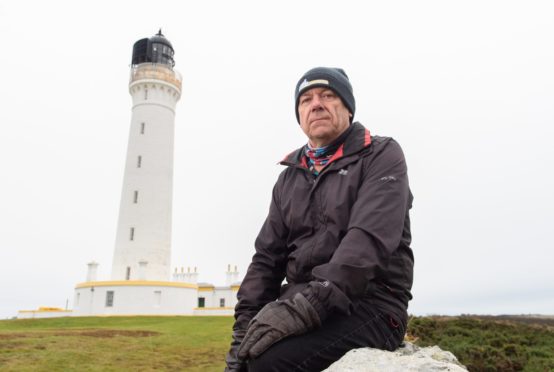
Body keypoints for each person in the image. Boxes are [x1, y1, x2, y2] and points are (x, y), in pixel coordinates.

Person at [225, 67, 414, 372]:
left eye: (328, 95)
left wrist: (306, 309)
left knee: (268, 363)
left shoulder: (382, 155)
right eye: (306, 99)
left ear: (348, 108)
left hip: (372, 303)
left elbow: (367, 241)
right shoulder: (289, 177)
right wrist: (241, 332)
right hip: (303, 298)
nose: (316, 104)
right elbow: (266, 259)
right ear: (299, 115)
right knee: (247, 354)